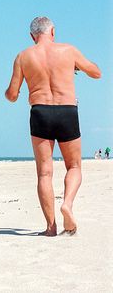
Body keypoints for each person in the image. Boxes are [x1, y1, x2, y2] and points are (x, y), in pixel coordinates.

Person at [5, 16, 101, 236]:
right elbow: (96, 72)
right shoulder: (68, 50)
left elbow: (12, 95)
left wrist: (15, 90)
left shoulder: (23, 57)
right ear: (53, 32)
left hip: (40, 113)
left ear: (32, 36)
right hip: (67, 111)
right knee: (74, 166)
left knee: (44, 174)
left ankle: (51, 227)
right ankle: (67, 203)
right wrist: (76, 66)